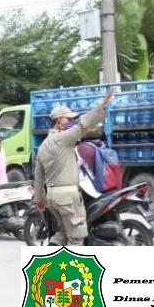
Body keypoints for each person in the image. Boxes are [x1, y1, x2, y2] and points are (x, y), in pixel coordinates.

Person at [33, 90, 114, 246]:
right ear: (58, 121)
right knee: (76, 238)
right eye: (68, 119)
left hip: (52, 198)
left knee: (62, 233)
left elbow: (38, 176)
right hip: (68, 198)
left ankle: (52, 263)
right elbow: (83, 125)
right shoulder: (63, 139)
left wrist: (39, 200)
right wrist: (102, 105)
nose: (72, 121)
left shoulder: (43, 146)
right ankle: (70, 270)